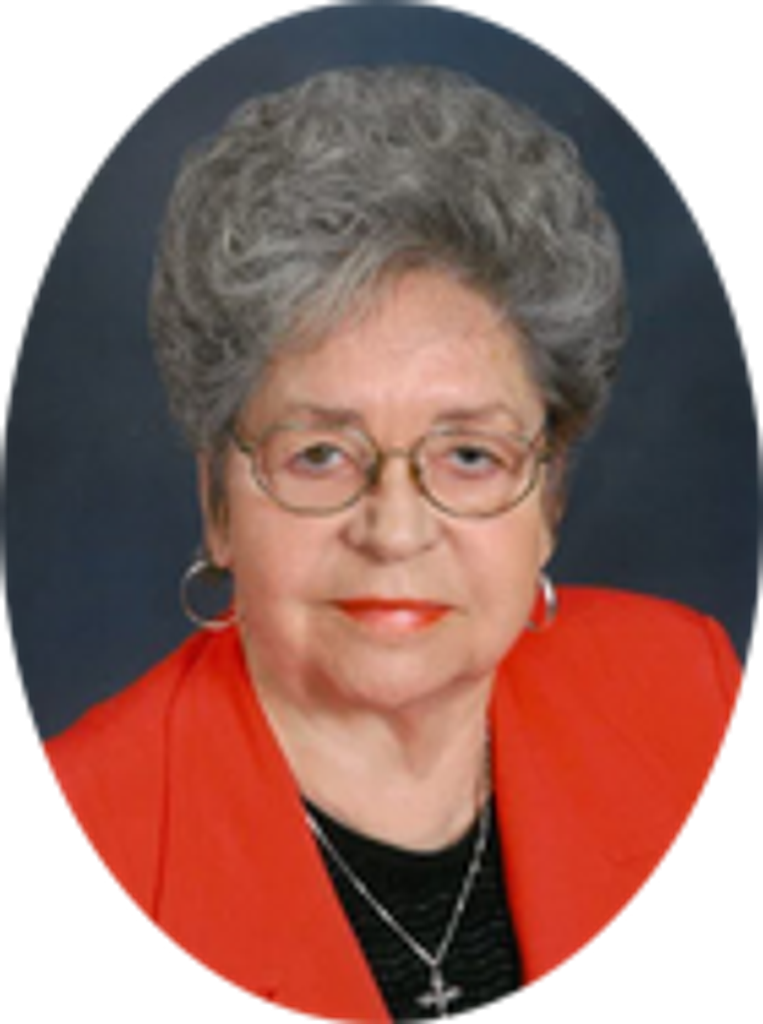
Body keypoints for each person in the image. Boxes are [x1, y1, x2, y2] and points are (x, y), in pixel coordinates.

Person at [39, 66, 745, 1022]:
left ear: (548, 498)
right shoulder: (98, 825)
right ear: (217, 502)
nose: (396, 530)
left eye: (469, 455)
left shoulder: (686, 694)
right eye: (320, 455)